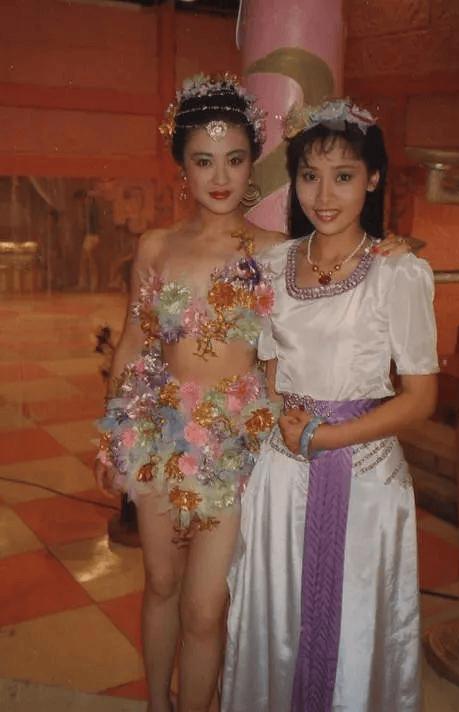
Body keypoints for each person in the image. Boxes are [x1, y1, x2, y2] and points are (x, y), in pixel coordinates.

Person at [95, 76, 408, 712]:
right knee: (160, 583)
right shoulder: (155, 247)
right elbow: (132, 343)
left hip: (240, 444)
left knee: (206, 606)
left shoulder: (278, 254)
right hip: (157, 434)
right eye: (204, 161)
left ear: (252, 165)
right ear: (182, 166)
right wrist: (109, 436)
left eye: (235, 160)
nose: (220, 177)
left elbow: (340, 267)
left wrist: (389, 251)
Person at [221, 100, 438, 712]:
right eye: (309, 175)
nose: (323, 195)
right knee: (275, 621)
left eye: (343, 176)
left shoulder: (399, 272)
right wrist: (277, 426)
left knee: (356, 630)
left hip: (365, 477)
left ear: (373, 178)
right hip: (282, 473)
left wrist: (327, 437)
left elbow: (422, 399)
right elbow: (268, 370)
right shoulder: (272, 265)